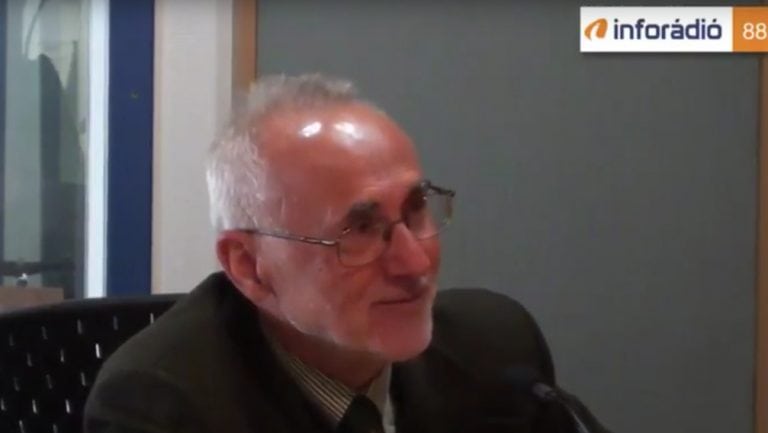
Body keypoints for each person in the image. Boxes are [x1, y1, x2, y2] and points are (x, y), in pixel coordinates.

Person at [84, 74, 611, 433]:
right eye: (359, 229)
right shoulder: (163, 407)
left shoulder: (496, 349)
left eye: (416, 209)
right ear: (250, 267)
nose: (416, 263)